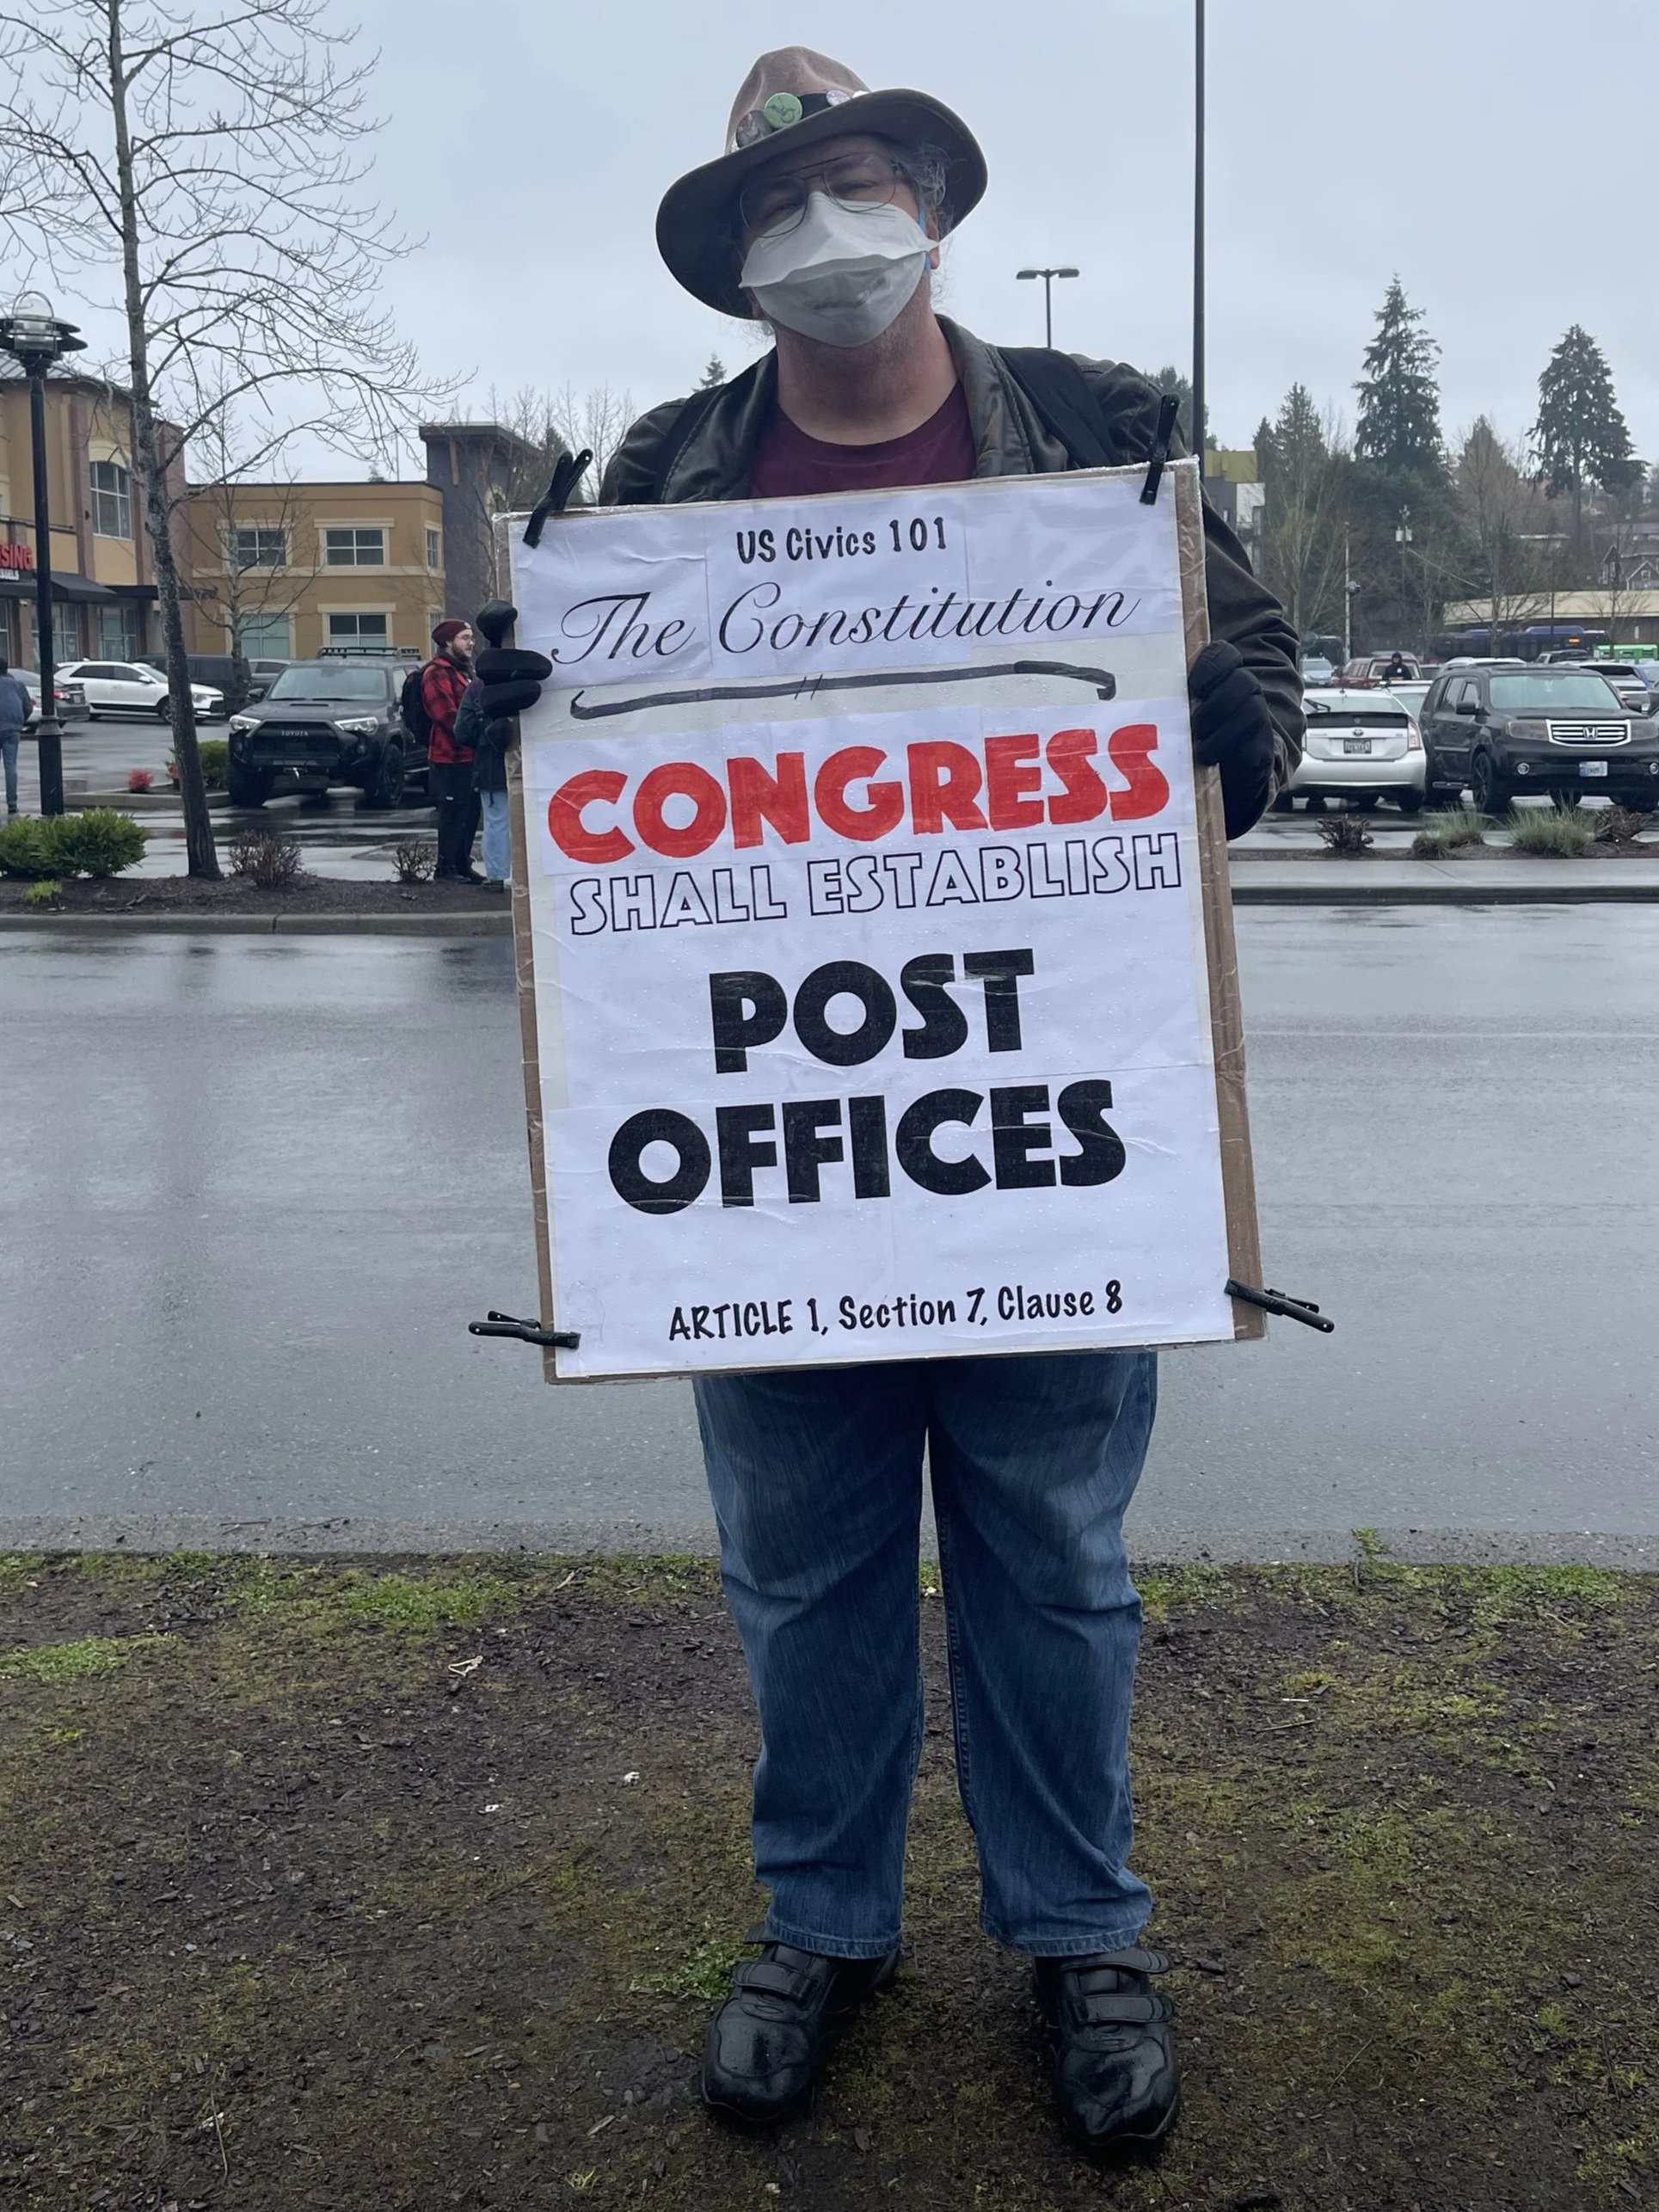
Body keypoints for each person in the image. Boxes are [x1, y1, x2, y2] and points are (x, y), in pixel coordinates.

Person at [475, 48, 1303, 2161]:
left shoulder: (1106, 436)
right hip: (757, 1157)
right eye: (778, 208)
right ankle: (818, 1923)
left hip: (1044, 1121)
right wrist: (496, 712)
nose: (823, 232)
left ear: (923, 199)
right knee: (801, 1557)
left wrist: (1235, 715)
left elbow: (1256, 664)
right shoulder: (647, 473)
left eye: (851, 183)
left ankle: (1080, 1935)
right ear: (736, 266)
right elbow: (555, 782)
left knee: (1047, 1546)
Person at [422, 618, 482, 883]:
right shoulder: (436, 673)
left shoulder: (463, 671)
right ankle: (445, 868)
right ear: (448, 642)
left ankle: (462, 863)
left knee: (470, 812)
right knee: (452, 812)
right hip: (448, 758)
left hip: (470, 756)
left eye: (471, 638)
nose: (470, 643)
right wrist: (474, 730)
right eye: (464, 638)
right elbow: (445, 716)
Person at [452, 674, 511, 893]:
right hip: (534, 757)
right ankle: (535, 872)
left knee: (497, 820)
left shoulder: (478, 687)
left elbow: (463, 731)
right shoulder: (531, 675)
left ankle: (496, 876)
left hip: (491, 760)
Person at [0, 653, 32, 817]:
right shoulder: (18, 685)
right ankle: (12, 804)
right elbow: (28, 707)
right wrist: (20, 723)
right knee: (10, 766)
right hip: (13, 729)